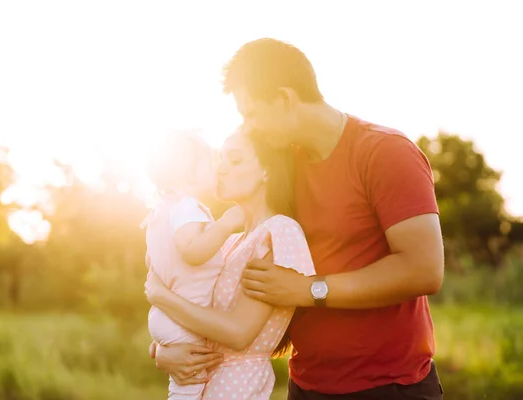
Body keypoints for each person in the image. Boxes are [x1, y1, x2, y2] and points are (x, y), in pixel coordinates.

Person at [152, 38, 445, 399]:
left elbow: (423, 269)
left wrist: (310, 289)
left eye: (251, 114)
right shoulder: (282, 168)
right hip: (307, 384)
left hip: (388, 385)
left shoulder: (385, 153)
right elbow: (224, 290)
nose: (249, 127)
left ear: (285, 99)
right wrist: (165, 347)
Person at [145, 129, 316, 399]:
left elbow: (238, 333)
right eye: (220, 159)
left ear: (266, 171)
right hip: (202, 378)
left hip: (236, 384)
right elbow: (197, 308)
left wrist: (160, 296)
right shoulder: (227, 241)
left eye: (235, 160)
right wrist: (162, 350)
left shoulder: (278, 231)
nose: (221, 168)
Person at [142, 131, 245, 399]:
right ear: (188, 175)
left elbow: (151, 259)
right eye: (210, 163)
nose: (217, 169)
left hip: (170, 314)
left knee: (184, 386)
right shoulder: (187, 207)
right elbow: (191, 251)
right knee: (190, 386)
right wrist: (225, 224)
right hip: (184, 318)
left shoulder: (164, 209)